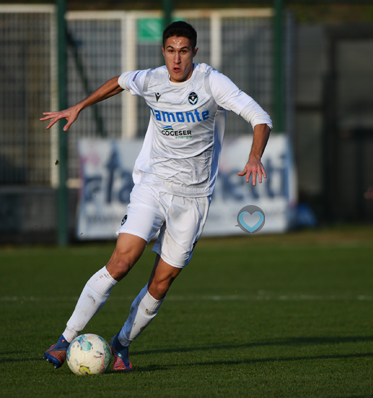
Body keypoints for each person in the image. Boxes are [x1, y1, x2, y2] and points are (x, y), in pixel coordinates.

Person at [40, 21, 271, 371]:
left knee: (161, 282)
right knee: (121, 262)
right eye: (170, 50)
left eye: (183, 51)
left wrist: (254, 155)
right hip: (153, 187)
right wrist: (80, 106)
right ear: (162, 51)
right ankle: (66, 338)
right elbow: (119, 81)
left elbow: (260, 118)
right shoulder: (151, 80)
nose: (176, 59)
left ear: (194, 52)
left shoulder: (211, 82)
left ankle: (121, 346)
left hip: (193, 200)